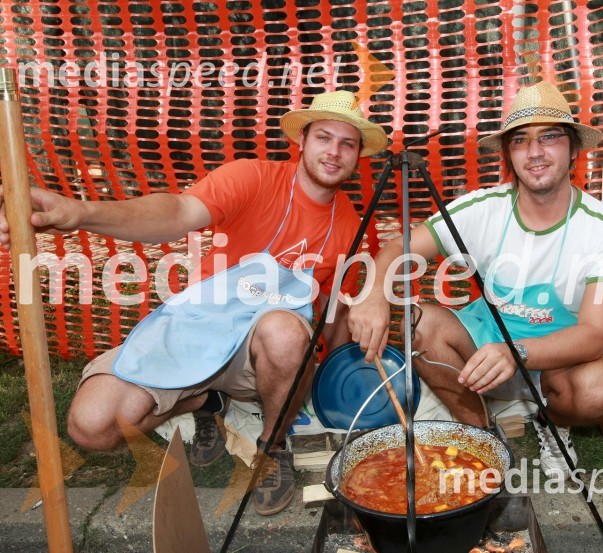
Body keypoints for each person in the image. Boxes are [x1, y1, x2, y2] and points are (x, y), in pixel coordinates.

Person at [0, 90, 387, 515]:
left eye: (347, 143)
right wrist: (82, 211)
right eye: (324, 137)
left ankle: (271, 448)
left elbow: (334, 308)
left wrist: (337, 376)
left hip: (259, 359)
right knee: (91, 426)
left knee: (283, 331)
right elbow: (177, 211)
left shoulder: (351, 222)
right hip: (196, 328)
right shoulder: (252, 177)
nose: (333, 152)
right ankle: (207, 403)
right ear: (302, 141)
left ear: (358, 155)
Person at [348, 80, 603, 478]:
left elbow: (593, 334)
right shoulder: (481, 209)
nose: (535, 152)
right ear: (509, 155)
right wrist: (374, 295)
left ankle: (553, 423)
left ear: (573, 150)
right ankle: (481, 433)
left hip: (558, 363)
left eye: (549, 137)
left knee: (600, 389)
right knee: (420, 321)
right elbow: (399, 249)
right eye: (520, 141)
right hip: (481, 352)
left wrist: (515, 352)